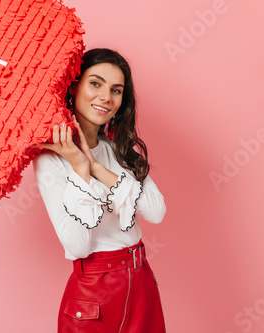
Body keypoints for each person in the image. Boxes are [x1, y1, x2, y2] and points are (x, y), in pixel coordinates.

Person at [33, 48, 167, 332]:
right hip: (93, 298)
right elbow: (77, 246)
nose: (106, 97)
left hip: (141, 285)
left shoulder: (121, 149)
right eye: (95, 83)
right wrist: (80, 170)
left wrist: (95, 167)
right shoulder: (50, 160)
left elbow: (155, 212)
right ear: (74, 85)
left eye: (116, 90)